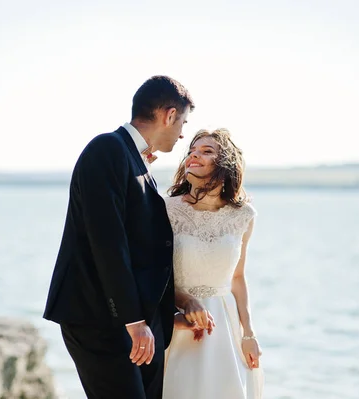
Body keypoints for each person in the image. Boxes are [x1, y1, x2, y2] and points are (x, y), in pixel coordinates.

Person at [43, 75, 194, 399]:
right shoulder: (107, 148)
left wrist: (161, 316)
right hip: (100, 319)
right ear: (168, 115)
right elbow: (108, 241)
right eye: (182, 121)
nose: (183, 133)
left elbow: (141, 246)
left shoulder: (136, 158)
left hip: (135, 322)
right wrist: (134, 321)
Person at [163, 128, 264, 398]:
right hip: (177, 321)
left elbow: (238, 278)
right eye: (192, 151)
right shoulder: (166, 209)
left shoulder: (244, 216)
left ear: (225, 164)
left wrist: (248, 334)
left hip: (224, 323)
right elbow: (153, 274)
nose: (195, 155)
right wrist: (182, 302)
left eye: (206, 151)